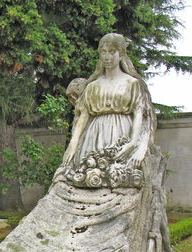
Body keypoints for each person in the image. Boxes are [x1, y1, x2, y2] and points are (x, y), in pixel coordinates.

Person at [62, 33, 156, 174]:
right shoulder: (92, 86)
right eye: (104, 52)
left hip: (122, 133)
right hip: (94, 136)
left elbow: (139, 114)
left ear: (121, 54)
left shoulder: (132, 83)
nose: (107, 57)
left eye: (112, 52)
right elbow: (84, 116)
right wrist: (73, 143)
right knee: (90, 174)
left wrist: (133, 143)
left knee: (117, 175)